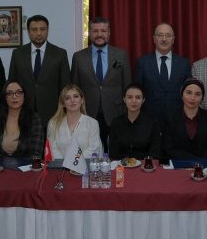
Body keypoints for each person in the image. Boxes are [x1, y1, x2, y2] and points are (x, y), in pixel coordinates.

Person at [70, 17, 132, 149]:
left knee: (115, 153)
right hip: (87, 113)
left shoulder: (120, 55)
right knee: (89, 152)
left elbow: (127, 86)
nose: (99, 34)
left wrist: (126, 112)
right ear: (90, 33)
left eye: (103, 31)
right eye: (95, 31)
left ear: (109, 33)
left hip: (115, 113)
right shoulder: (79, 57)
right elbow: (74, 89)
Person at [8, 15, 71, 125]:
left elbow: (65, 86)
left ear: (48, 30)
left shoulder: (60, 54)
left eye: (42, 29)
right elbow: (12, 83)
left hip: (52, 114)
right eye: (34, 29)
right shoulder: (18, 53)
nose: (39, 33)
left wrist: (64, 112)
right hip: (24, 112)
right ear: (28, 32)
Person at [135, 23, 192, 119]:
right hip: (149, 120)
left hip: (177, 119)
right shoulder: (142, 63)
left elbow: (188, 91)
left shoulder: (184, 63)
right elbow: (137, 92)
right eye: (160, 35)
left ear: (173, 39)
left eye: (168, 35)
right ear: (154, 39)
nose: (164, 39)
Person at [0, 80, 46, 162]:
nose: (14, 96)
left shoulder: (34, 119)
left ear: (24, 95)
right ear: (4, 97)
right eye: (10, 93)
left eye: (19, 92)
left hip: (25, 167)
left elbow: (36, 154)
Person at [162, 79, 207, 159]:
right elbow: (169, 148)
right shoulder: (170, 117)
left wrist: (200, 163)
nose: (192, 98)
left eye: (197, 94)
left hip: (205, 164)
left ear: (202, 97)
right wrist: (193, 161)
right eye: (189, 93)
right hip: (178, 163)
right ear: (182, 95)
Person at [47, 84, 103, 160]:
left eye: (76, 96)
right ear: (63, 103)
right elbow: (52, 149)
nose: (72, 100)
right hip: (60, 165)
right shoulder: (53, 123)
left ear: (82, 100)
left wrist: (74, 162)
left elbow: (93, 149)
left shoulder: (92, 123)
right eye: (67, 98)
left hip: (86, 165)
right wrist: (64, 163)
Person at [108, 84, 162, 159]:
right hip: (121, 164)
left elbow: (154, 153)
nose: (134, 101)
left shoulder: (153, 123)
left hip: (145, 164)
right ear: (124, 99)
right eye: (130, 97)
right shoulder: (116, 123)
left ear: (143, 100)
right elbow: (113, 153)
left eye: (138, 97)